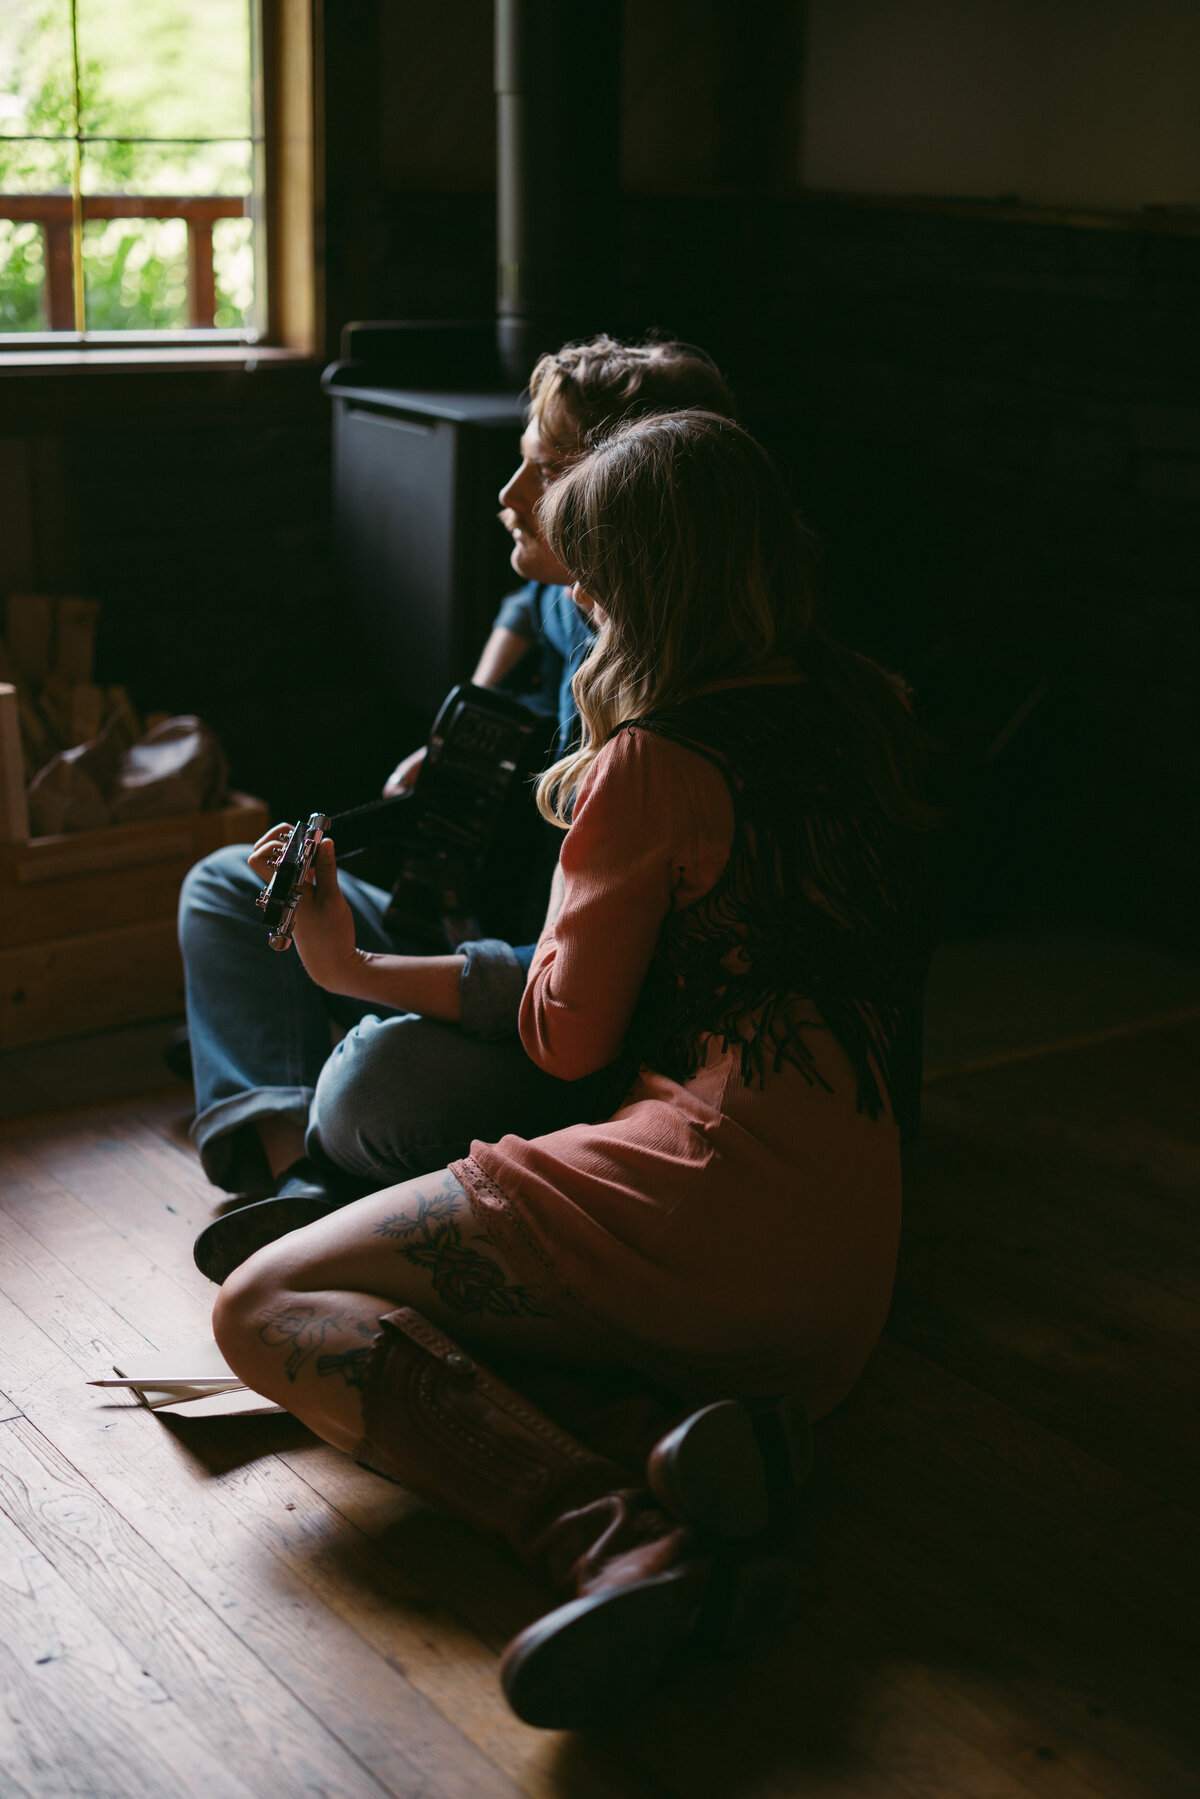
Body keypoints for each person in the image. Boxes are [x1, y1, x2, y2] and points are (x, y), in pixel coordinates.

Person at [210, 410, 938, 1728]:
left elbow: (564, 1038)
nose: (577, 601)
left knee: (267, 1305)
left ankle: (607, 1522)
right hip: (852, 1269)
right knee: (425, 1290)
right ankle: (691, 1448)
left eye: (591, 575)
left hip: (707, 1200)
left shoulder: (655, 761)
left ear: (637, 584)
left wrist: (340, 960)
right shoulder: (874, 711)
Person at [179, 336, 736, 1282]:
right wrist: (456, 738)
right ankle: (299, 1180)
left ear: (628, 495)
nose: (511, 496)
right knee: (227, 885)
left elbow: (576, 1005)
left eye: (546, 471)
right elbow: (529, 604)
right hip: (493, 940)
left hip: (564, 1026)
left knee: (367, 1082)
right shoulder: (582, 608)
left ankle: (335, 1162)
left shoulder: (661, 732)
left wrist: (359, 970)